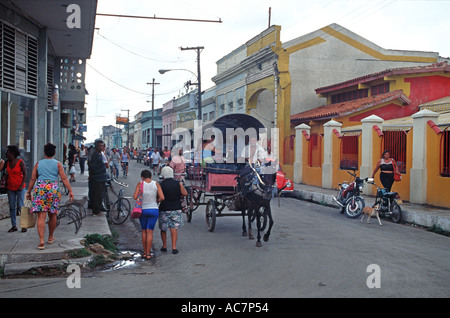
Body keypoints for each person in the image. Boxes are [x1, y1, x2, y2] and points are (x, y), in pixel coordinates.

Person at [26, 143, 74, 250]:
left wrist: (29, 192)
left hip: (40, 189)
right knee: (52, 214)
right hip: (53, 190)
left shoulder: (38, 164)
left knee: (41, 216)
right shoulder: (58, 164)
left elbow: (33, 179)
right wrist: (70, 191)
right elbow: (64, 178)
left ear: (44, 152)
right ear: (54, 153)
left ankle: (41, 241)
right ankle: (51, 237)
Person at [133, 169, 164, 260]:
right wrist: (156, 201)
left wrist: (140, 192)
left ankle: (145, 252)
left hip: (143, 209)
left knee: (144, 231)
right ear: (151, 176)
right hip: (154, 209)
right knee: (150, 231)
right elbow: (162, 197)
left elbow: (135, 197)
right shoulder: (156, 184)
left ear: (142, 177)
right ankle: (149, 253)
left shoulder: (140, 184)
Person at [159, 166, 187, 255]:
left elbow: (158, 197)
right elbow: (185, 193)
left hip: (164, 208)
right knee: (174, 228)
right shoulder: (178, 184)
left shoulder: (160, 185)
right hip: (176, 208)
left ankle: (164, 246)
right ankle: (174, 247)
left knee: (163, 228)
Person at [0, 145, 27, 233]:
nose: (6, 153)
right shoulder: (7, 163)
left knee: (20, 206)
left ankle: (24, 225)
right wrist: (1, 163)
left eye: (8, 152)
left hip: (20, 188)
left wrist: (21, 185)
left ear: (12, 153)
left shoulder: (20, 162)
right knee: (12, 207)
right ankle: (14, 225)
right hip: (10, 188)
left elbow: (25, 174)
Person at [88, 139, 108, 215]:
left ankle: (98, 207)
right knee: (97, 194)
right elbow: (92, 167)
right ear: (96, 146)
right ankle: (96, 210)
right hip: (97, 178)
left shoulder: (99, 154)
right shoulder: (95, 155)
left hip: (101, 177)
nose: (101, 147)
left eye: (102, 146)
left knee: (100, 194)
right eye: (99, 146)